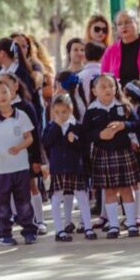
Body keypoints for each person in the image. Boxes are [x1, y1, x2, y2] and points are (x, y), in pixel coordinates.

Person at [0, 79, 38, 247]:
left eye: (4, 92)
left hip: (21, 167)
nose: (1, 96)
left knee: (24, 202)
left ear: (11, 93)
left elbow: (30, 138)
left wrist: (20, 147)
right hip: (0, 170)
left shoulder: (22, 115)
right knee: (2, 204)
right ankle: (4, 234)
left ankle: (29, 231)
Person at [84, 73, 140, 239]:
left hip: (123, 151)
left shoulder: (123, 106)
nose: (108, 89)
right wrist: (99, 135)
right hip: (102, 154)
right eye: (103, 87)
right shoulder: (91, 110)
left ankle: (131, 223)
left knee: (126, 188)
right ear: (94, 91)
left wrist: (124, 125)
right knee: (109, 191)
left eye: (111, 86)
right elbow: (86, 134)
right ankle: (114, 225)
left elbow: (137, 124)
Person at [42, 93, 96, 241]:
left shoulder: (78, 127)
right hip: (58, 169)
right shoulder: (51, 126)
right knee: (56, 199)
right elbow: (46, 142)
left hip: (75, 168)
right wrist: (56, 126)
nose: (61, 115)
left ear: (70, 110)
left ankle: (88, 227)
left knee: (82, 197)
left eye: (64, 112)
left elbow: (84, 148)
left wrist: (74, 141)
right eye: (57, 112)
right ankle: (59, 230)